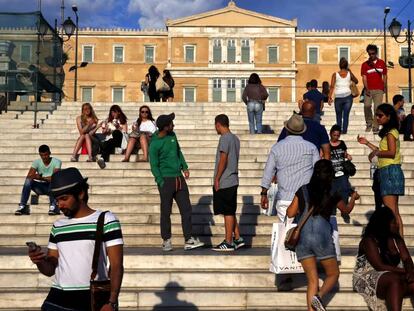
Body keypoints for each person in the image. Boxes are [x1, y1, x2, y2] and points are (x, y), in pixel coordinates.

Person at [28, 167, 124, 311]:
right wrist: (39, 261)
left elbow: (116, 265)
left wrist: (112, 301)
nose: (59, 205)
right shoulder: (58, 225)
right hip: (57, 296)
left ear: (80, 193)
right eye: (57, 200)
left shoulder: (106, 220)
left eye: (64, 198)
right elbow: (50, 269)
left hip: (91, 296)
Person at [286, 160, 358, 311]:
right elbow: (346, 210)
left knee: (312, 280)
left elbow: (290, 213)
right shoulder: (333, 191)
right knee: (333, 274)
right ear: (330, 174)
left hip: (303, 237)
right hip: (322, 236)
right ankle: (318, 297)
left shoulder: (303, 189)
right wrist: (353, 199)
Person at [149, 113, 204, 251]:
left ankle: (189, 239)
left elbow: (179, 152)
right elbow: (154, 165)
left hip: (179, 178)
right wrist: (160, 181)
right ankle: (166, 240)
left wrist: (184, 167)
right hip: (166, 180)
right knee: (166, 211)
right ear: (165, 127)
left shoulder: (173, 136)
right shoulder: (154, 144)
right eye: (171, 123)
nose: (173, 125)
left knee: (186, 209)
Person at [353, 207, 414, 311]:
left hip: (394, 274)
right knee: (394, 279)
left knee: (402, 280)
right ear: (384, 224)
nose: (397, 225)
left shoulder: (396, 239)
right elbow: (379, 266)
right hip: (370, 275)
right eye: (394, 222)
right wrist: (406, 271)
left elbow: (407, 258)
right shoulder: (369, 240)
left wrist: (410, 270)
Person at [261, 113, 319, 221]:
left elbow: (268, 172)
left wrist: (264, 193)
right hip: (305, 199)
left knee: (287, 234)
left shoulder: (277, 148)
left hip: (284, 198)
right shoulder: (311, 148)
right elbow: (318, 171)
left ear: (287, 130)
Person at [358, 103, 405, 236]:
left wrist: (376, 153)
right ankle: (399, 241)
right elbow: (384, 151)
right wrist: (367, 143)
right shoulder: (391, 132)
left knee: (391, 212)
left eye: (380, 115)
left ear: (388, 117)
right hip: (390, 170)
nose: (377, 118)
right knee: (394, 211)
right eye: (376, 115)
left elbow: (391, 152)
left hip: (389, 171)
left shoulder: (391, 133)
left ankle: (395, 242)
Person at [212, 114, 244, 251]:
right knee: (229, 209)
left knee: (228, 212)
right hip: (233, 178)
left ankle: (228, 241)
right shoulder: (235, 138)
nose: (215, 128)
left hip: (226, 179)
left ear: (218, 124)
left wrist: (217, 178)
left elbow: (223, 159)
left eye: (215, 125)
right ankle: (237, 237)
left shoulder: (224, 138)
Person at [15, 145, 61, 216]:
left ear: (49, 153)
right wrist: (43, 178)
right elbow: (29, 176)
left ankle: (53, 206)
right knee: (28, 180)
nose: (44, 157)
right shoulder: (36, 162)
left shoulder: (57, 161)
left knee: (54, 181)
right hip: (41, 187)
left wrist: (41, 178)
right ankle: (22, 206)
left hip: (52, 187)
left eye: (46, 155)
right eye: (42, 155)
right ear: (39, 154)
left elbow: (55, 178)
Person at [328, 57, 359, 134]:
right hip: (348, 97)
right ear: (347, 66)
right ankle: (344, 131)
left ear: (339, 65)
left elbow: (332, 87)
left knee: (338, 115)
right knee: (346, 115)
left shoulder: (335, 75)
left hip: (338, 97)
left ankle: (338, 131)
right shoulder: (349, 74)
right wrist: (350, 71)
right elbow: (356, 81)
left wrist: (329, 97)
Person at [361, 44, 387, 133]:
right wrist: (366, 88)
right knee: (367, 106)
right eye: (369, 54)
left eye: (373, 53)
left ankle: (376, 126)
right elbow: (364, 77)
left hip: (379, 89)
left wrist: (384, 86)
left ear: (376, 53)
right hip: (368, 89)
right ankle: (369, 123)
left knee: (377, 108)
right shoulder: (364, 65)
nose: (371, 55)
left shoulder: (382, 63)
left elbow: (385, 76)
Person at [97, 105, 128, 169]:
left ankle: (102, 157)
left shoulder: (123, 121)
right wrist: (106, 131)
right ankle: (102, 159)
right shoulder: (108, 121)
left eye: (115, 112)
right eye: (112, 112)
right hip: (110, 140)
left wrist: (118, 127)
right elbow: (103, 133)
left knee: (116, 132)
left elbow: (125, 132)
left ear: (119, 112)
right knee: (109, 141)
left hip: (120, 139)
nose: (113, 114)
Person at [329, 125, 353, 202]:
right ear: (330, 134)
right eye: (334, 135)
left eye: (338, 135)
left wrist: (348, 156)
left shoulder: (342, 143)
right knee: (332, 191)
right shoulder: (326, 144)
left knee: (345, 189)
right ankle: (332, 210)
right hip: (331, 171)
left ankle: (345, 208)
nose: (336, 137)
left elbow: (344, 153)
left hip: (342, 170)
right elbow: (321, 154)